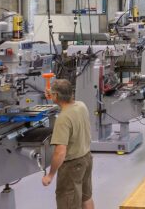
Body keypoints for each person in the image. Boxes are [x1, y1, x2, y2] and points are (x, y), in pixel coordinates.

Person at [42, 79, 94, 209]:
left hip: (72, 166)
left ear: (56, 95)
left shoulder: (63, 118)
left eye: (53, 94)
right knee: (86, 197)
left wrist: (50, 175)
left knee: (68, 203)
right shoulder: (81, 106)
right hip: (86, 158)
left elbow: (60, 152)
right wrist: (53, 94)